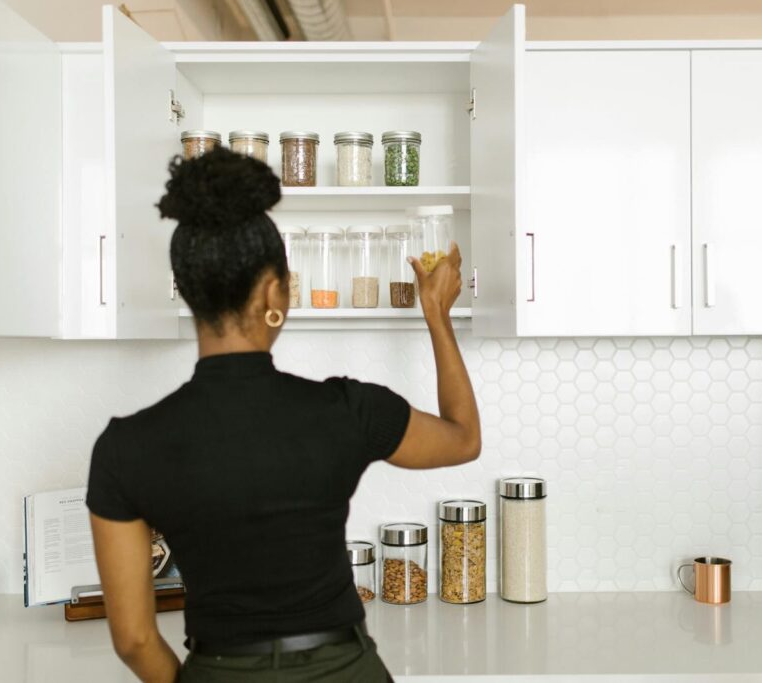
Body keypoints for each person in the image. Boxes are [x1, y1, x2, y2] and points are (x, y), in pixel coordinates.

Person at [85, 148, 481, 683]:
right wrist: (436, 312)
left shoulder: (124, 447)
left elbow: (133, 638)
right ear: (275, 292)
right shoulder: (347, 409)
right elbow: (463, 439)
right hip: (346, 669)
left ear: (188, 290)